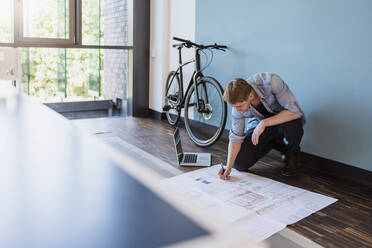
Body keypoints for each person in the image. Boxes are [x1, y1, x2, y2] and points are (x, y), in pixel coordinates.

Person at [218, 72, 305, 179]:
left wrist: (264, 123)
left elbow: (295, 112)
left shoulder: (272, 82)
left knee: (293, 125)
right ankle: (276, 142)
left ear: (250, 95)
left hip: (285, 121)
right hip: (261, 127)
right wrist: (228, 167)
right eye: (234, 106)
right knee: (239, 164)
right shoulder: (237, 106)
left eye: (239, 106)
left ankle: (293, 156)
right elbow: (235, 138)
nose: (237, 110)